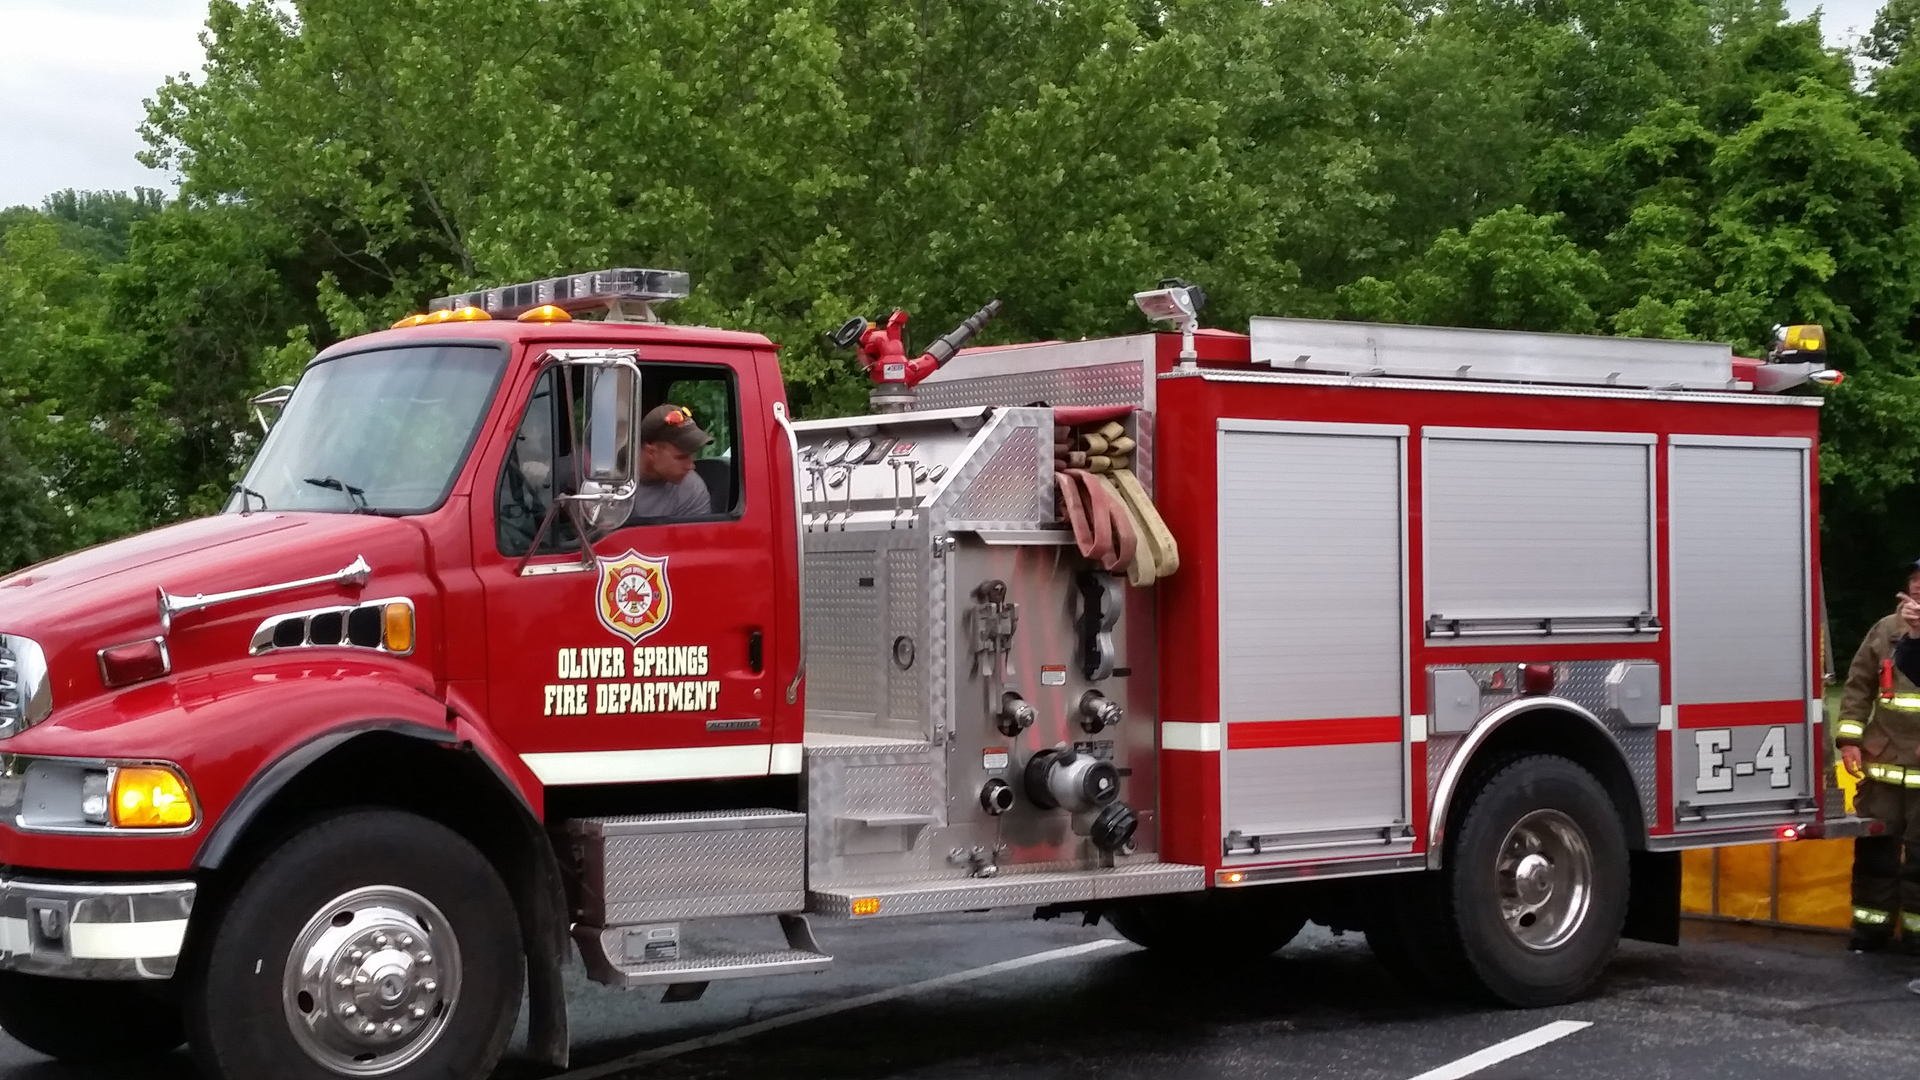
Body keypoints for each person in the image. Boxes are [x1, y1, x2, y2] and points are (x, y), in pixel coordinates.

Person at [1837, 559, 1920, 953]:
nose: (1918, 587)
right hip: (1883, 762)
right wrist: (1849, 740)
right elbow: (1858, 687)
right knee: (1875, 853)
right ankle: (1871, 929)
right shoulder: (1885, 631)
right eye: (1915, 580)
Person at [626, 403, 714, 521]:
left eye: (692, 454)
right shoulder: (609, 479)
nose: (691, 466)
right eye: (681, 457)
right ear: (651, 452)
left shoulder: (692, 490)